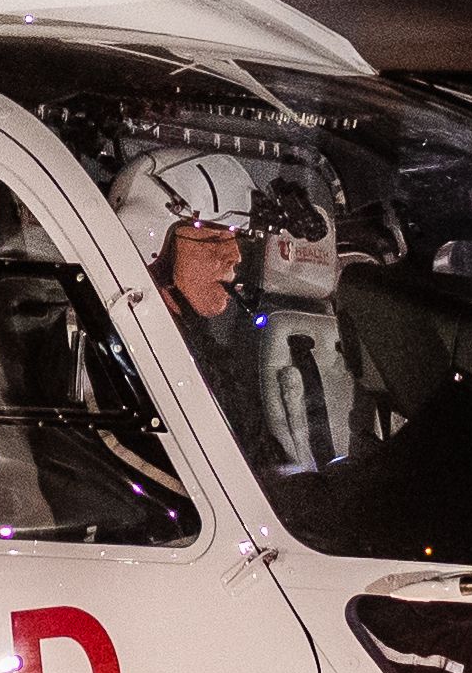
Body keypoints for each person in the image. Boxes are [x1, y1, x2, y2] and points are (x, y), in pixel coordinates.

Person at [114, 144, 353, 476]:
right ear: (152, 249)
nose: (235, 256)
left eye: (235, 238)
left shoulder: (203, 350)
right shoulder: (122, 364)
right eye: (214, 240)